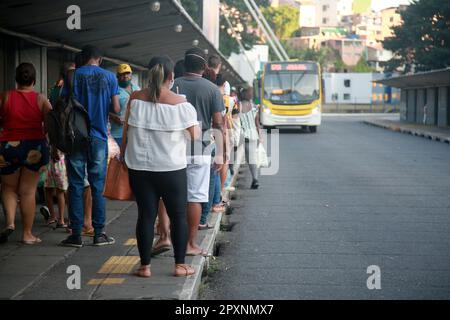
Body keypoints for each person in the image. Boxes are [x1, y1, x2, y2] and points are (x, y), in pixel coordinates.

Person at [124, 56, 200, 277]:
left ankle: (145, 267)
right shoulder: (182, 105)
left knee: (145, 215)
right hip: (171, 169)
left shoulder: (135, 99)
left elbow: (126, 132)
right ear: (171, 77)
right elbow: (195, 136)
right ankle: (179, 265)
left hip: (139, 167)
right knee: (178, 216)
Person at [60, 45, 120, 248]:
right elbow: (117, 107)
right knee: (97, 186)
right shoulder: (110, 77)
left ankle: (75, 234)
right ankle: (99, 233)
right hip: (98, 137)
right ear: (100, 59)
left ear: (83, 58)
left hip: (75, 136)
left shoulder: (72, 76)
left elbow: (62, 103)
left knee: (76, 184)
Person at [171, 48, 225, 256]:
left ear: (184, 65)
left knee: (172, 196)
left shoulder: (173, 85)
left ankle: (166, 236)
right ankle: (190, 244)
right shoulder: (212, 89)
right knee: (195, 197)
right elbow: (218, 124)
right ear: (204, 67)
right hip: (200, 147)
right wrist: (220, 153)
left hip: (172, 148)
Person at [0, 63, 51, 244]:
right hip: (34, 148)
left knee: (8, 188)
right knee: (28, 191)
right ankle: (27, 234)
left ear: (16, 79)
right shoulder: (41, 99)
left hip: (7, 147)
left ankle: (10, 223)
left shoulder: (5, 97)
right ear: (34, 80)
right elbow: (51, 124)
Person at [109, 64, 140, 148]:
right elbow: (104, 109)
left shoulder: (137, 88)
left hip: (134, 132)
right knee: (118, 159)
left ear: (131, 74)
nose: (125, 76)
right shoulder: (113, 90)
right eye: (122, 74)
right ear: (117, 76)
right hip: (118, 133)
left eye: (127, 73)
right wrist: (114, 117)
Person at [240, 87, 262, 189]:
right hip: (253, 134)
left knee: (233, 155)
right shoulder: (254, 107)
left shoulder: (237, 106)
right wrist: (260, 137)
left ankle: (231, 172)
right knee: (252, 158)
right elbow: (257, 123)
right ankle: (255, 179)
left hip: (241, 133)